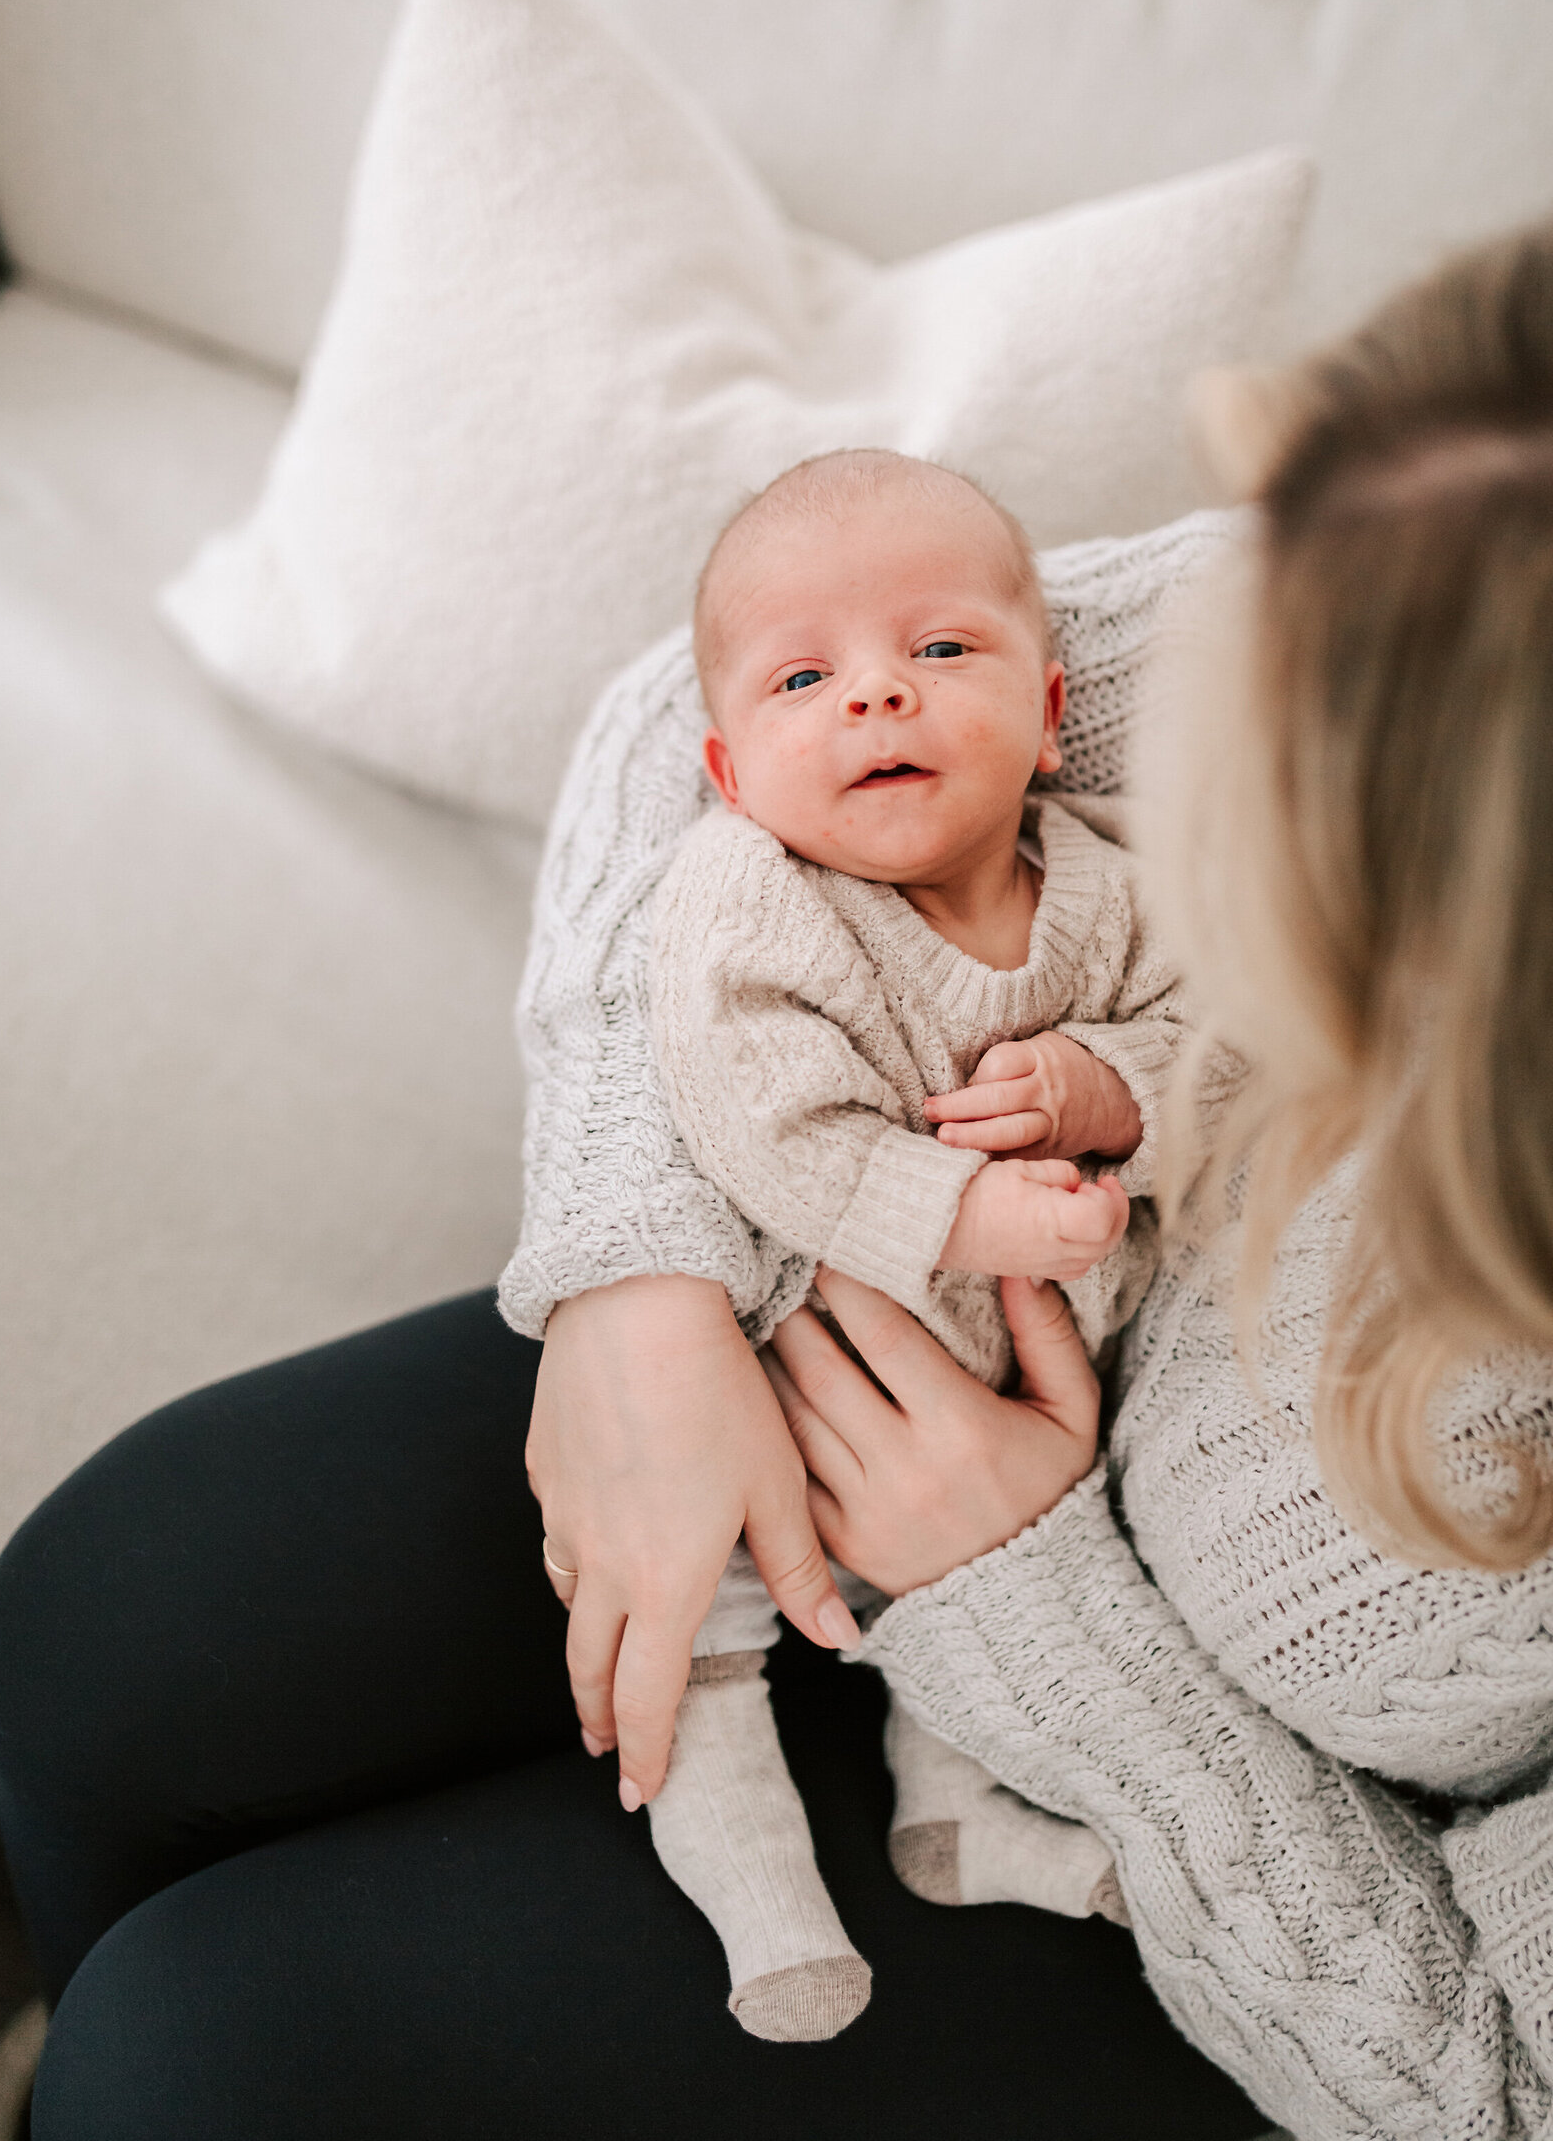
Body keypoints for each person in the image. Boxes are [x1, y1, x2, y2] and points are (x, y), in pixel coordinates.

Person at [0, 221, 1553, 2141]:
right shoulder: (1450, 597)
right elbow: (721, 704)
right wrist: (642, 1287)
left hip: (1232, 1859)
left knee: (199, 2064)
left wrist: (1023, 1603)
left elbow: (1479, 2094)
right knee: (114, 1624)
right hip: (864, 1305)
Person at [644, 448, 1192, 2041]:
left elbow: (1224, 1041)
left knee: (963, 1632)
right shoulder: (748, 895)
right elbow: (766, 1125)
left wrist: (1110, 1085)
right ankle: (758, 1896)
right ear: (733, 768)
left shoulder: (1109, 887)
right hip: (767, 1393)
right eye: (807, 677)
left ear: (1047, 709)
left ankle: (954, 1826)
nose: (877, 698)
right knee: (705, 1640)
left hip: (1010, 1437)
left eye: (940, 652)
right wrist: (974, 1211)